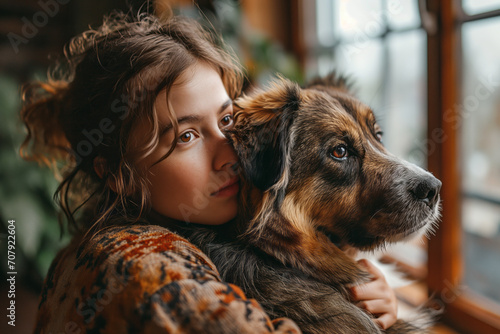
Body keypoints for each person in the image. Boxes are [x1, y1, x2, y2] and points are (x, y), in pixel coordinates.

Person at [20, 11, 397, 333]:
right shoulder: (148, 275)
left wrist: (364, 292)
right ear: (117, 175)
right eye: (186, 136)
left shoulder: (138, 228)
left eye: (227, 118)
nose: (230, 153)